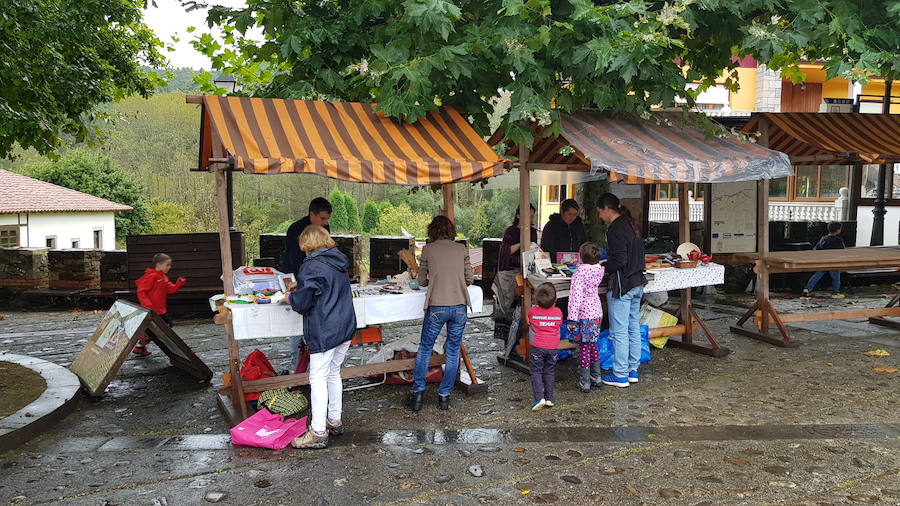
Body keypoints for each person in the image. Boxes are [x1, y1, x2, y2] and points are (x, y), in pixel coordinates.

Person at [286, 225, 356, 449]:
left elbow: (303, 303)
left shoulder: (311, 266)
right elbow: (323, 287)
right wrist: (303, 287)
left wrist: (290, 297)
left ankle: (317, 432)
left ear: (306, 244)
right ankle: (334, 421)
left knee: (317, 379)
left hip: (325, 329)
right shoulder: (339, 262)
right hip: (344, 326)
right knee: (333, 373)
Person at [406, 216, 474, 412]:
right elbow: (469, 278)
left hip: (437, 306)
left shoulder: (428, 249)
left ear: (432, 231)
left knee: (425, 348)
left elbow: (421, 281)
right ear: (451, 231)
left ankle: (418, 394)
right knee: (453, 351)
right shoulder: (461, 249)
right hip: (460, 305)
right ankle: (444, 397)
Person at [596, 193, 647, 388]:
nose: (600, 216)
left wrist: (600, 268)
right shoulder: (630, 225)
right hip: (637, 284)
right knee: (633, 328)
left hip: (622, 286)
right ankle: (632, 371)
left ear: (608, 210)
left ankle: (620, 375)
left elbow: (619, 261)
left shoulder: (615, 229)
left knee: (619, 332)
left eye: (600, 212)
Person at [282, 197, 333, 373]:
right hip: (298, 281)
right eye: (322, 219)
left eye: (327, 219)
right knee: (296, 326)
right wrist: (301, 284)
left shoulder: (324, 228)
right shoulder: (295, 229)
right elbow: (293, 260)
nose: (325, 223)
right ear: (312, 214)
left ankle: (315, 365)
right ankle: (296, 368)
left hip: (316, 283)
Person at [492, 205, 538, 344]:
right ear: (518, 216)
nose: (529, 220)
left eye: (531, 217)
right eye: (526, 217)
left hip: (526, 273)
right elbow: (505, 251)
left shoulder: (533, 231)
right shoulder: (510, 231)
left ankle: (522, 340)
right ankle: (508, 342)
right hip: (510, 272)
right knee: (508, 308)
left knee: (524, 306)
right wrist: (522, 243)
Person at [566, 242, 605, 393]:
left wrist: (572, 319)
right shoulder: (598, 272)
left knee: (584, 347)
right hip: (596, 312)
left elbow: (575, 298)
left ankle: (585, 382)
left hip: (584, 314)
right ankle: (597, 377)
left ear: (580, 258)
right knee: (593, 344)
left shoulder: (579, 275)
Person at [133, 253, 186, 357]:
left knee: (160, 327)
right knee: (161, 328)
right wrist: (147, 304)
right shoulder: (152, 276)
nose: (169, 267)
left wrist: (178, 284)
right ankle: (141, 346)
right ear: (159, 264)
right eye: (168, 264)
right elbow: (141, 291)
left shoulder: (163, 277)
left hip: (160, 310)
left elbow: (170, 289)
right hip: (153, 309)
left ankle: (140, 346)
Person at [527, 282, 563, 411]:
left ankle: (539, 398)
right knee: (549, 371)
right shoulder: (558, 312)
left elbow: (529, 322)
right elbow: (559, 324)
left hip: (537, 346)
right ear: (555, 299)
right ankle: (549, 398)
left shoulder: (532, 311)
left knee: (536, 371)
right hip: (552, 347)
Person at [802, 221, 846, 299]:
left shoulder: (823, 238)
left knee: (816, 276)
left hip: (824, 261)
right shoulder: (838, 240)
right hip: (834, 262)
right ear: (839, 230)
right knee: (836, 278)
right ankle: (836, 293)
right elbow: (842, 251)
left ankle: (807, 289)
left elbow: (816, 248)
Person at [540, 199, 586, 264]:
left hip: (576, 263)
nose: (572, 217)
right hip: (555, 264)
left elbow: (584, 244)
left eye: (575, 214)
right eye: (569, 214)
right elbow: (546, 247)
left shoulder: (579, 226)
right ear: (562, 212)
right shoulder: (551, 226)